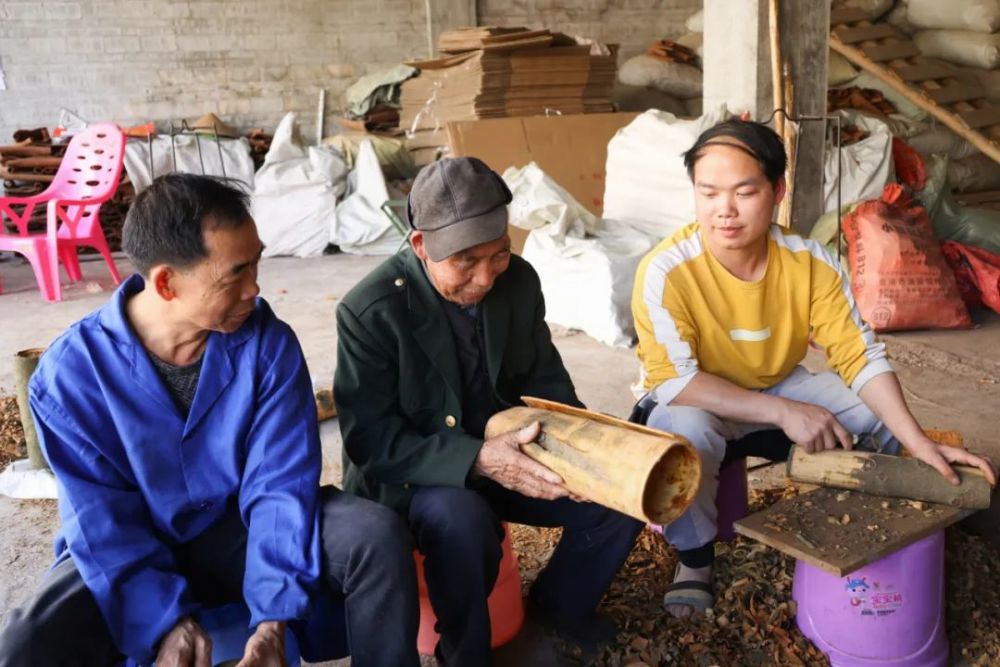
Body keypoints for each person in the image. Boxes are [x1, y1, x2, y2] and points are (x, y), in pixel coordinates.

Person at [0, 174, 419, 667]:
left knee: (375, 536)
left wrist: (271, 623)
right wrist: (163, 621)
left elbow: (279, 486)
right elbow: (101, 521)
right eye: (235, 273)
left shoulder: (267, 344)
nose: (255, 287)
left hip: (238, 528)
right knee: (25, 643)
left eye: (257, 262)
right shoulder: (70, 374)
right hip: (135, 542)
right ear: (165, 282)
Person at [630, 119, 997, 618]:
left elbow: (859, 354)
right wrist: (784, 411)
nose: (725, 210)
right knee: (684, 438)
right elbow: (676, 380)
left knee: (866, 413)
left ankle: (898, 507)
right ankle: (694, 559)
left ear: (777, 191)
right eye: (708, 192)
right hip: (698, 401)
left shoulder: (809, 262)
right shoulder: (666, 269)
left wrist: (917, 440)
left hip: (776, 383)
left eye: (744, 191)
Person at [335, 157, 643, 664]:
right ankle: (464, 652)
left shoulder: (518, 282)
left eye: (498, 255)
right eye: (465, 261)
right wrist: (477, 459)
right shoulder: (371, 312)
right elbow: (373, 442)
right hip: (422, 478)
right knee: (461, 521)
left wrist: (586, 450)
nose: (485, 278)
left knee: (615, 497)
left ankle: (559, 606)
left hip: (513, 451)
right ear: (421, 247)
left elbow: (545, 380)